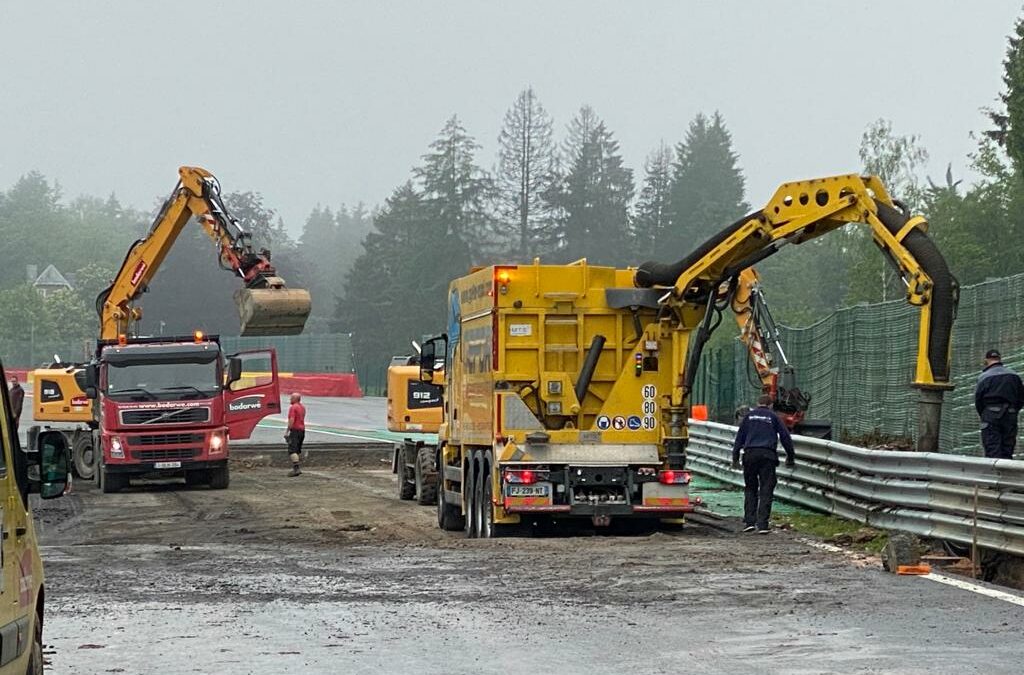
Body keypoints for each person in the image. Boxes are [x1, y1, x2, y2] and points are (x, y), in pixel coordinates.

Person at [731, 394, 796, 534]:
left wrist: (735, 457)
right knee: (766, 488)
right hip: (767, 455)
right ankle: (763, 525)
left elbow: (739, 438)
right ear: (771, 405)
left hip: (749, 455)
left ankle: (749, 522)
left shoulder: (748, 417)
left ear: (757, 403)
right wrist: (790, 457)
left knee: (750, 488)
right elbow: (785, 437)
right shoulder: (774, 417)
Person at [975, 349, 1024, 459]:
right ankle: (1007, 474)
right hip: (1010, 414)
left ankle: (993, 474)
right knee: (1008, 448)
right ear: (999, 359)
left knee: (992, 449)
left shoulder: (984, 377)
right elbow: (1021, 397)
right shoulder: (1014, 375)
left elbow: (978, 400)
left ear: (986, 360)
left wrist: (985, 414)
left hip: (991, 415)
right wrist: (1013, 410)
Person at [286, 392, 306, 477]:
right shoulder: (302, 407)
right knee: (297, 449)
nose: (290, 399)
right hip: (302, 430)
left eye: (291, 398)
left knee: (292, 450)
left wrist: (287, 431)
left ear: (295, 399)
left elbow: (292, 419)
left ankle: (296, 468)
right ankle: (296, 467)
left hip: (295, 430)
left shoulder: (293, 407)